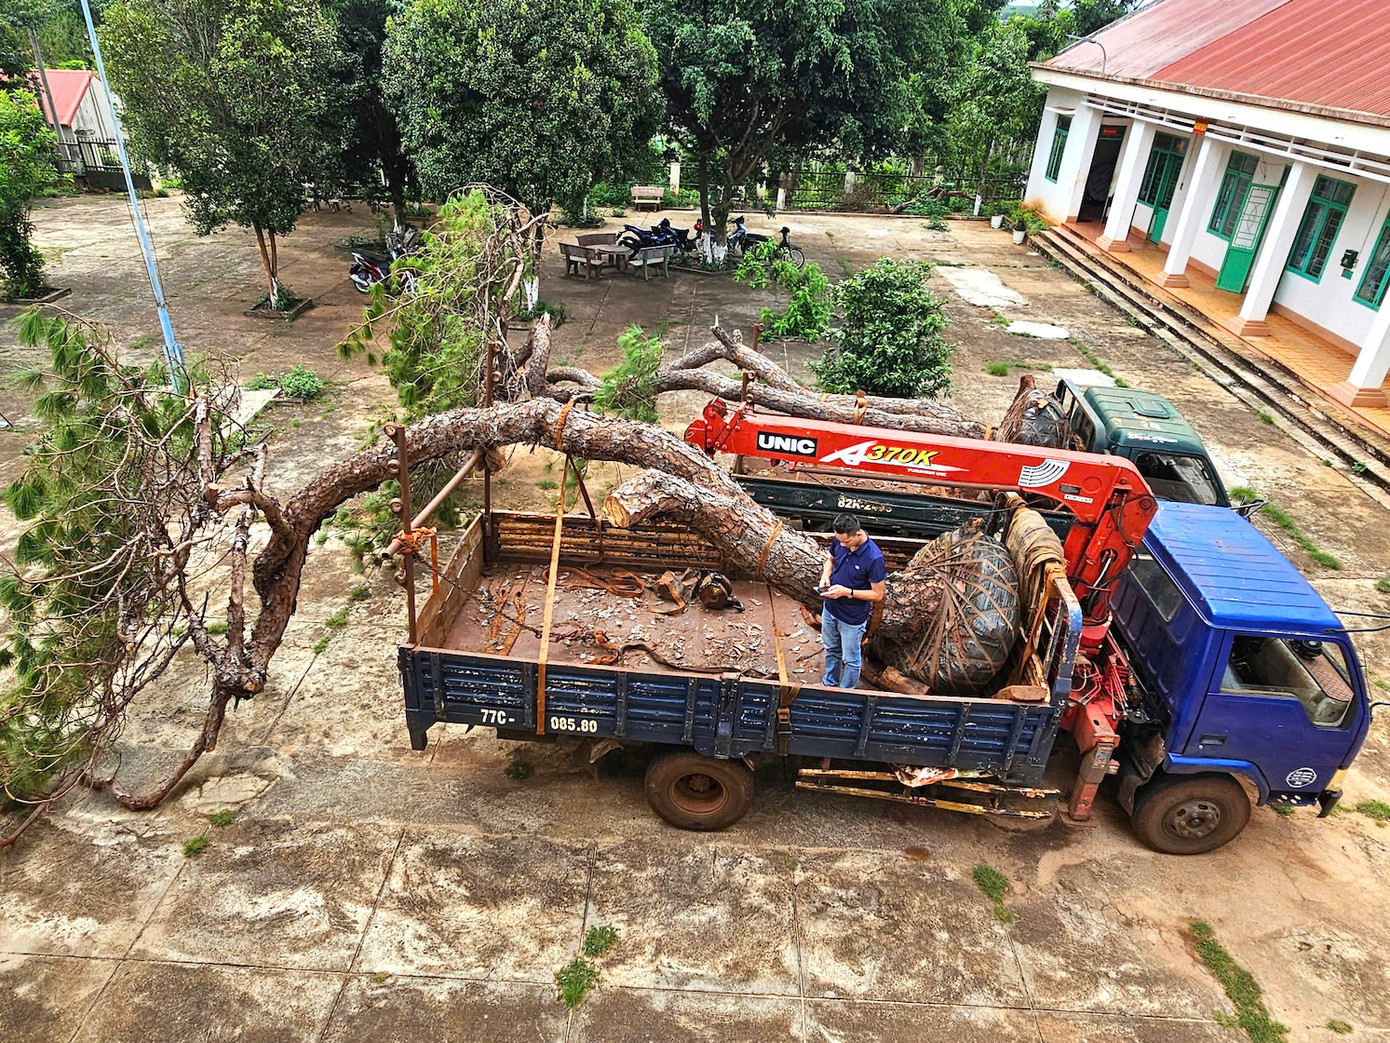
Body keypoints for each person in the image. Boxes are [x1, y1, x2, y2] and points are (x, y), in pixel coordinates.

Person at [818, 513, 887, 690]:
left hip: (852, 617)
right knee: (831, 648)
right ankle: (829, 683)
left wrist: (848, 592)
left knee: (850, 659)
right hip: (831, 609)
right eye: (839, 541)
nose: (842, 545)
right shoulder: (839, 540)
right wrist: (826, 575)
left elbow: (878, 595)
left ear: (857, 534)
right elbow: (830, 560)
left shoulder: (874, 558)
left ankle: (845, 693)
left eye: (846, 542)